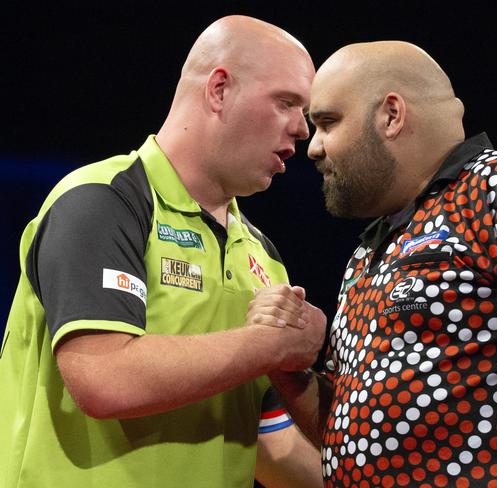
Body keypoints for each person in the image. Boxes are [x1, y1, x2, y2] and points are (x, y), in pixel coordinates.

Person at [257, 41, 497, 487]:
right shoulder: (371, 248)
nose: (314, 147)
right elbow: (351, 433)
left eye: (328, 122)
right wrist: (287, 368)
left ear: (391, 115)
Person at [0, 15, 326, 488]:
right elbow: (103, 377)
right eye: (286, 103)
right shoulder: (102, 200)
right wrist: (269, 346)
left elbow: (270, 444)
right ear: (219, 90)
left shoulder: (262, 257)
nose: (302, 131)